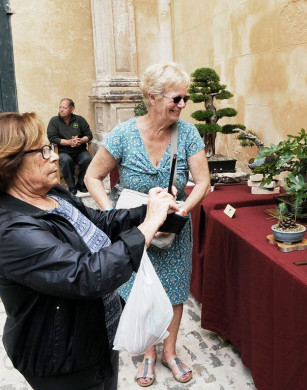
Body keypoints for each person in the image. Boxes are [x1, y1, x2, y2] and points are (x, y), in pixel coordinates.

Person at [0, 111, 178, 390]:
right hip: (62, 358)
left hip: (97, 336)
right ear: (10, 163)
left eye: (52, 147)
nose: (55, 156)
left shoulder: (52, 195)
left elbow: (98, 223)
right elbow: (87, 275)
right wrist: (148, 227)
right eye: (44, 150)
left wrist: (146, 211)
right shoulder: (12, 231)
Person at [85, 62, 211, 386]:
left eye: (186, 98)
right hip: (135, 231)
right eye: (176, 98)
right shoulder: (124, 134)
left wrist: (182, 209)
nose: (183, 105)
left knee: (175, 292)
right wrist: (111, 212)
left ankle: (169, 352)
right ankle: (149, 354)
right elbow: (92, 176)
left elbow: (202, 182)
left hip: (174, 230)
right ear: (153, 98)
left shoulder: (188, 133)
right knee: (138, 291)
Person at [47, 98, 93, 195]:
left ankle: (81, 183)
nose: (61, 109)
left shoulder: (79, 120)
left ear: (72, 109)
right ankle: (72, 186)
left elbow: (89, 135)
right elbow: (52, 138)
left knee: (87, 158)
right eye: (60, 107)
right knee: (66, 160)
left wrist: (80, 140)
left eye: (64, 107)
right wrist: (69, 142)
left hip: (80, 150)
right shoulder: (54, 120)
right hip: (63, 151)